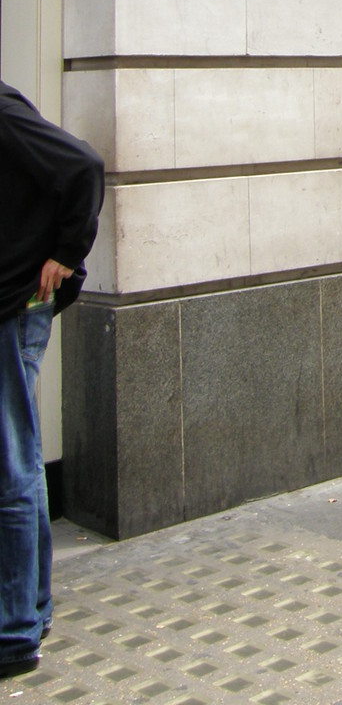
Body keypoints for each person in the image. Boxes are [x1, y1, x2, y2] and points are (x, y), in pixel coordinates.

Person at [0, 81, 104, 680]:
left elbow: (84, 165)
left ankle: (14, 629)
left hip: (12, 309)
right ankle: (29, 614)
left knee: (10, 465)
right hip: (18, 303)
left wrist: (66, 253)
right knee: (22, 457)